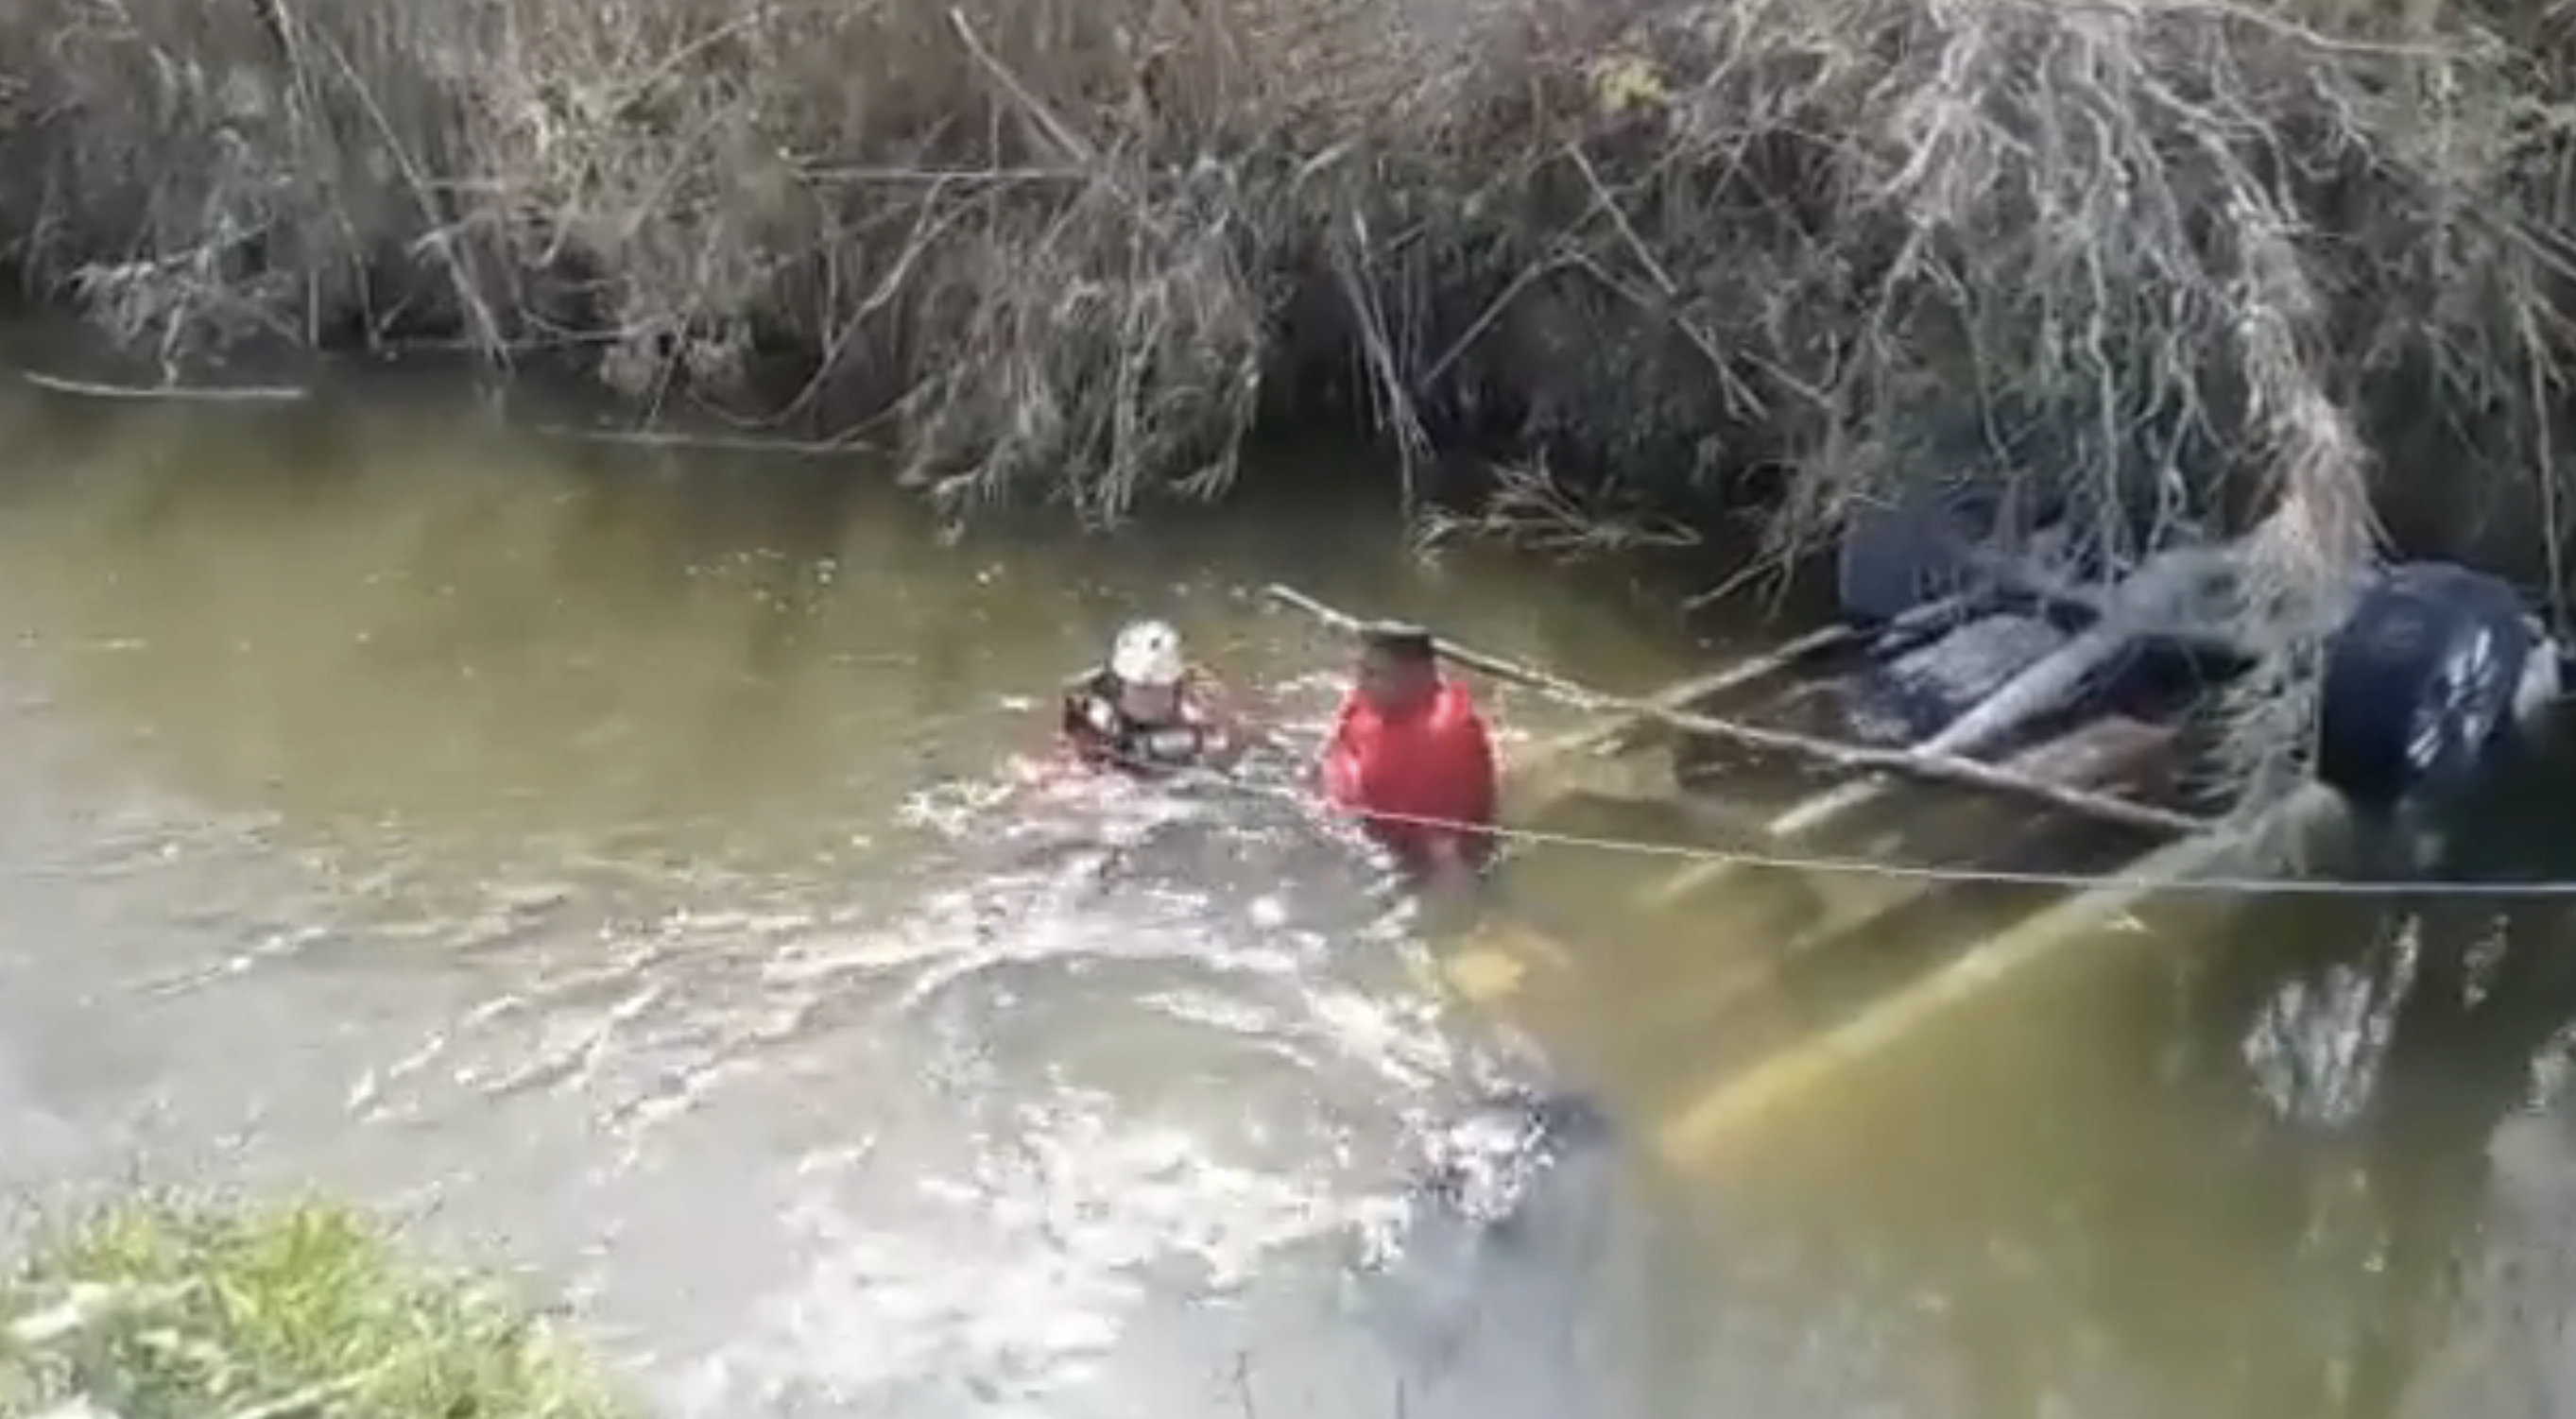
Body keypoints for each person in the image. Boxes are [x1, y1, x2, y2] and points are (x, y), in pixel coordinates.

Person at [1320, 623, 1500, 887]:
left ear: (1419, 677)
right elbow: (1337, 740)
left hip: (1395, 854)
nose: (1360, 684)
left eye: (1374, 674)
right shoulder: (1375, 699)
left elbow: (1448, 856)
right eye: (1361, 670)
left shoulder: (1437, 742)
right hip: (1343, 805)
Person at [1057, 619, 1245, 776]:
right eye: (1140, 690)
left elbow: (1228, 746)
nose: (1147, 699)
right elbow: (1074, 755)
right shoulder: (1094, 710)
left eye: (1155, 691)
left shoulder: (1199, 710)